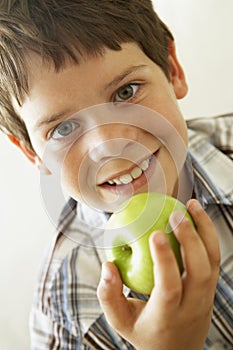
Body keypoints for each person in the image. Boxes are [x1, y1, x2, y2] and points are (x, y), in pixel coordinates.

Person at [0, 1, 232, 349]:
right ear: (34, 154)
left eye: (126, 92)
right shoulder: (70, 312)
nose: (109, 145)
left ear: (172, 69)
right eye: (63, 128)